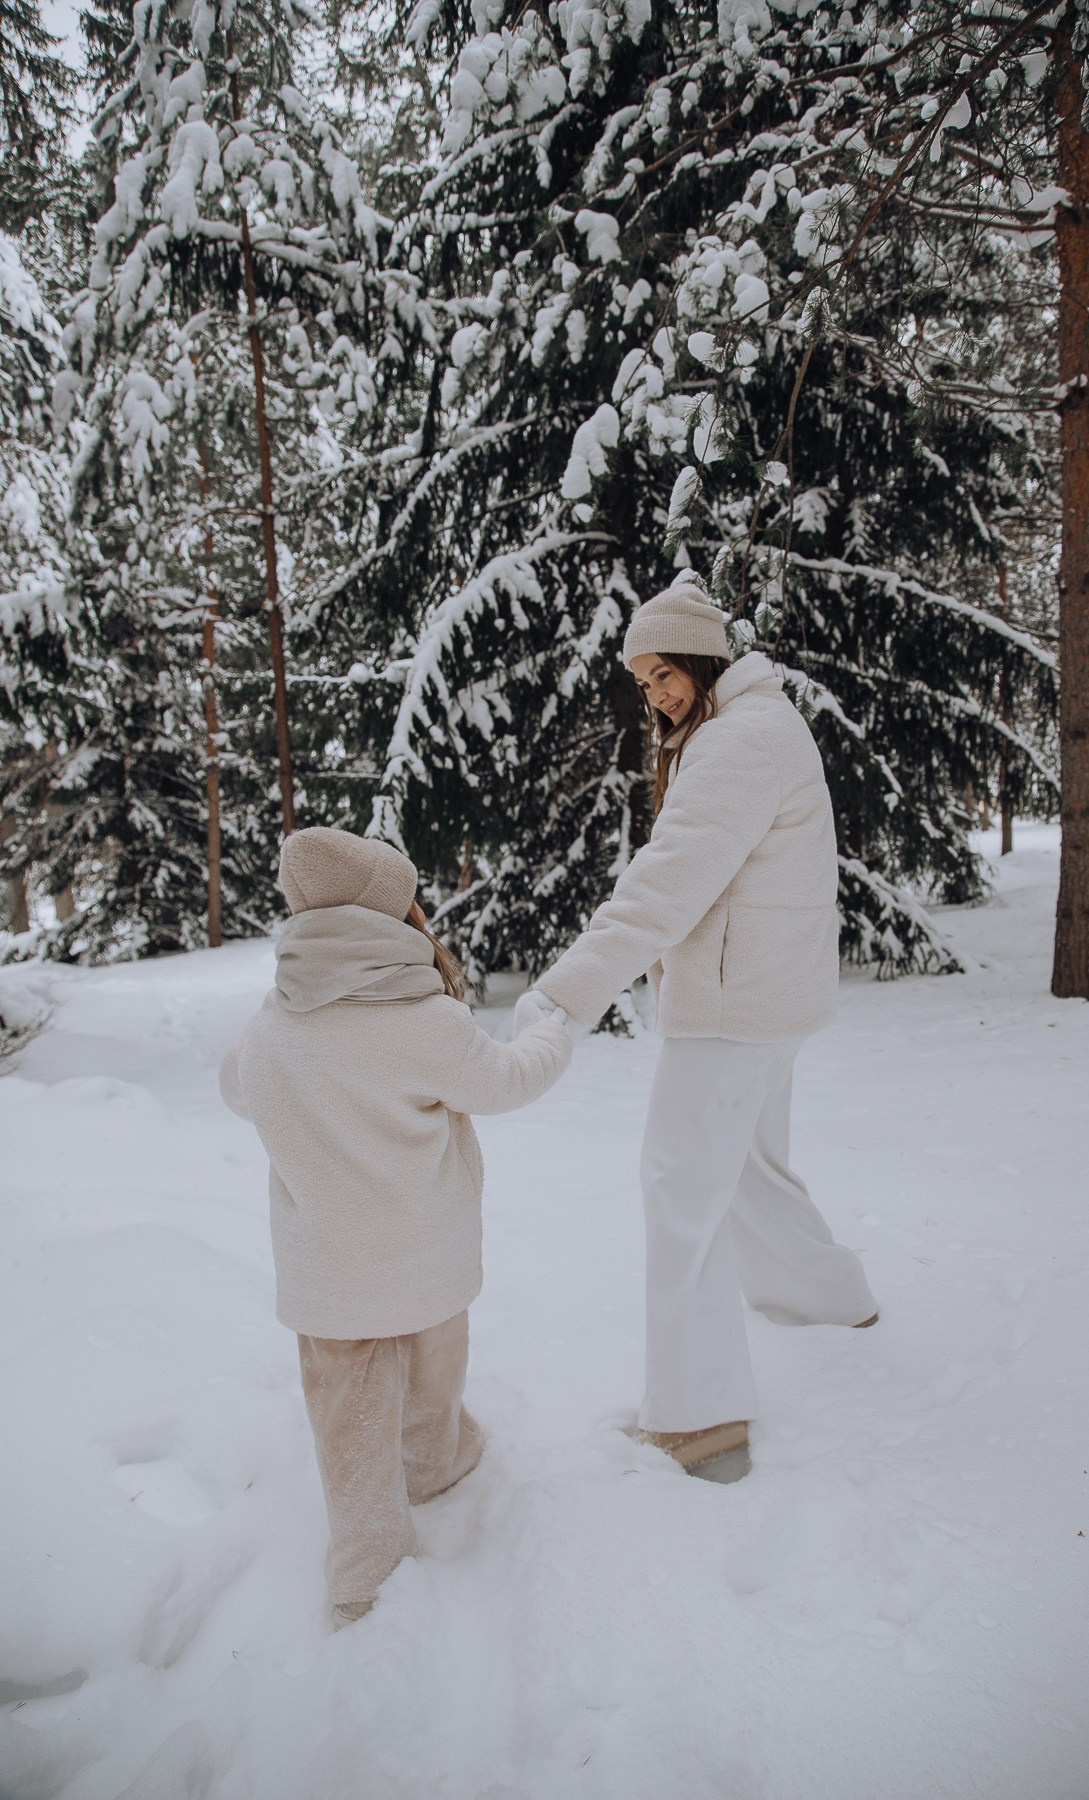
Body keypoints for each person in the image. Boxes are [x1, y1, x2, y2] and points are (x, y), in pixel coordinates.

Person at [516, 582, 876, 1473]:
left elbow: (666, 884)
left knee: (682, 1192)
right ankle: (830, 1301)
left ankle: (700, 1412)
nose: (656, 694)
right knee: (749, 1170)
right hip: (764, 997)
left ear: (704, 659)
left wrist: (567, 993)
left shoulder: (741, 740)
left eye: (664, 673)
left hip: (731, 1004)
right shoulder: (752, 728)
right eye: (642, 682)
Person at [220, 827, 572, 1626]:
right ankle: (435, 1462)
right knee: (434, 1369)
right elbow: (510, 1081)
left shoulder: (273, 1027)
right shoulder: (422, 1019)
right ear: (393, 917)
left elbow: (235, 1090)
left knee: (348, 1414)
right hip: (426, 1259)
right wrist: (551, 1031)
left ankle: (365, 1571)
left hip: (329, 1277)